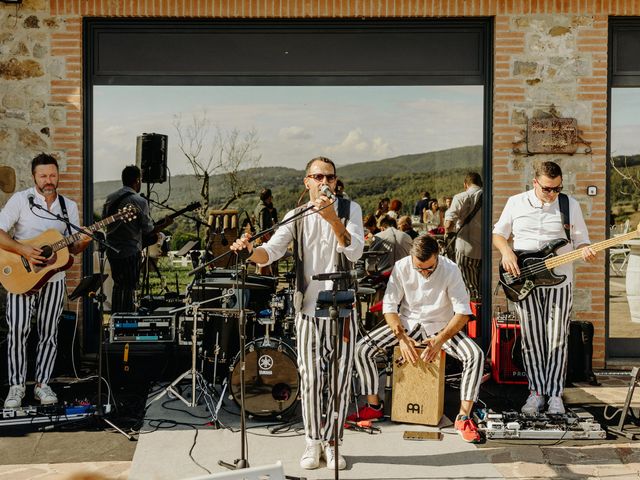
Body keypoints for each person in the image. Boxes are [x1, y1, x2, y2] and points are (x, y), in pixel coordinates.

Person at [230, 156, 364, 471]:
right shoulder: (295, 216)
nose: (324, 182)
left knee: (340, 380)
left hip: (341, 307)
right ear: (306, 182)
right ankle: (312, 442)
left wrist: (333, 219)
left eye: (329, 177)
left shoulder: (349, 210)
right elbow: (270, 252)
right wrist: (250, 252)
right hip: (307, 309)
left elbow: (355, 251)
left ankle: (334, 443)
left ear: (336, 182)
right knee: (311, 379)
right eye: (317, 176)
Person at [350, 234, 484, 443]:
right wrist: (402, 338)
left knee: (475, 355)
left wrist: (440, 339)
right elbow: (389, 307)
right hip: (408, 325)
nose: (423, 273)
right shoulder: (402, 266)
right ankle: (374, 406)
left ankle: (463, 416)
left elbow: (463, 313)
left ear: (437, 256)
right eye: (419, 268)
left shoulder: (451, 269)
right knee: (362, 348)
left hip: (441, 326)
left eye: (429, 268)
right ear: (412, 258)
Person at [493, 161, 597, 415]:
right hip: (525, 279)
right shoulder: (516, 202)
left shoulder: (568, 204)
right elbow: (498, 234)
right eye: (548, 189)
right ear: (535, 183)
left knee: (558, 338)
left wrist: (585, 249)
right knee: (532, 339)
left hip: (560, 280)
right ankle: (536, 392)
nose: (553, 194)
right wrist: (506, 251)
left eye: (557, 188)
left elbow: (581, 239)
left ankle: (555, 394)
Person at [0, 153, 91, 408]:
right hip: (21, 276)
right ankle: (17, 386)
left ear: (58, 175)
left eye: (52, 175)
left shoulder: (68, 206)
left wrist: (84, 241)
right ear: (34, 177)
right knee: (18, 330)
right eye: (43, 176)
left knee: (49, 332)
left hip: (53, 278)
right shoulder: (20, 200)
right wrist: (24, 250)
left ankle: (43, 384)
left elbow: (70, 249)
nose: (48, 180)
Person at [103, 165, 171, 313]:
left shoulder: (110, 198)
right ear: (137, 181)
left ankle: (116, 319)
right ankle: (127, 320)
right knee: (130, 287)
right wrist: (164, 225)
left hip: (112, 251)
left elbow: (105, 222)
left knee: (118, 286)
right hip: (130, 250)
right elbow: (149, 230)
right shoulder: (138, 201)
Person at [444, 172, 483, 300]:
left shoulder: (461, 197)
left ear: (465, 184)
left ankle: (474, 316)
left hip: (466, 249)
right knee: (483, 286)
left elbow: (448, 224)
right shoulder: (490, 197)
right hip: (485, 251)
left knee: (469, 287)